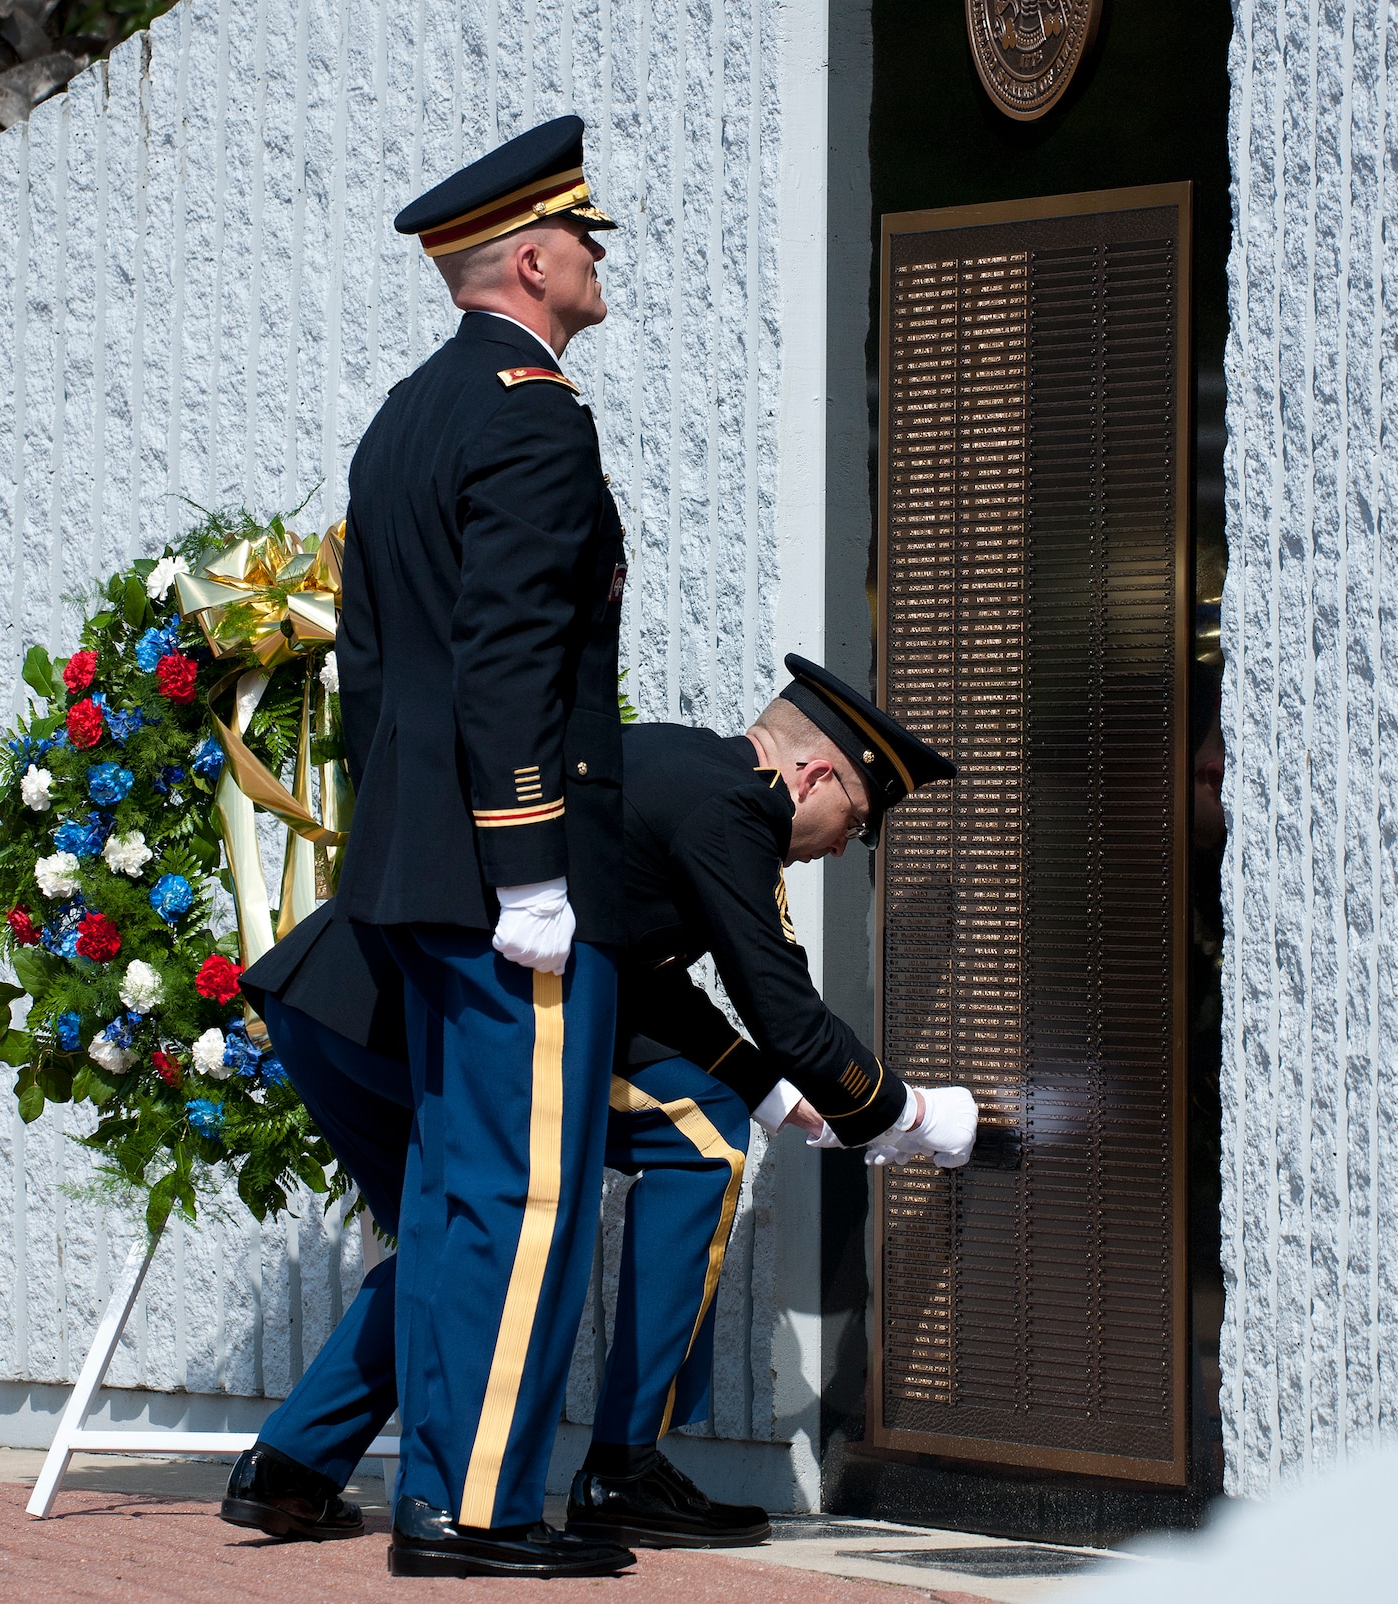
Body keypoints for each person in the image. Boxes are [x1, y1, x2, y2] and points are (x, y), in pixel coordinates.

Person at [220, 656, 977, 1555]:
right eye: (853, 818)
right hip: (435, 1023)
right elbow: (785, 1007)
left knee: (454, 1244)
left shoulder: (669, 768)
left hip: (337, 1010)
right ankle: (622, 1466)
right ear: (811, 775)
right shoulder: (736, 809)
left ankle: (291, 1468)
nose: (845, 845)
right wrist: (906, 1117)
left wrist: (777, 1097)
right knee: (702, 1140)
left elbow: (644, 986)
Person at [333, 113, 633, 1579]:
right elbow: (510, 655)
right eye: (583, 236)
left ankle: (437, 1492)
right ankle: (479, 1507)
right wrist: (529, 871)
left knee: (459, 1192)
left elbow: (380, 681)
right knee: (521, 1198)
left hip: (415, 871)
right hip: (504, 880)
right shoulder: (530, 409)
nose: (595, 257)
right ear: (530, 257)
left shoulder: (408, 411)